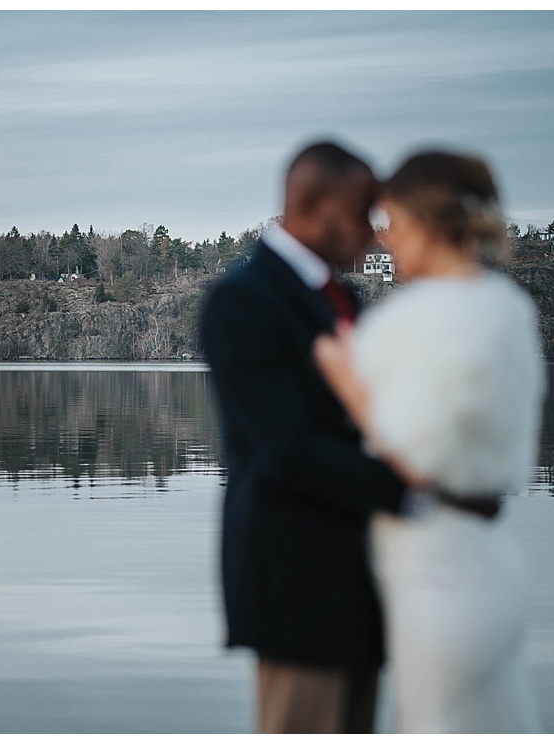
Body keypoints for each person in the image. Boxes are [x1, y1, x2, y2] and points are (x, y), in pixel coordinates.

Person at [313, 150, 545, 732]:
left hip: (440, 579)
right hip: (484, 559)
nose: (383, 240)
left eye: (390, 222)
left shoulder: (430, 318)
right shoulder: (506, 307)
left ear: (423, 223)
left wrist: (348, 384)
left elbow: (414, 460)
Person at [198, 141, 406, 733]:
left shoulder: (349, 298)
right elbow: (284, 453)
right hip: (295, 586)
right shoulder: (242, 301)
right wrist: (414, 491)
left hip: (364, 580)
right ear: (311, 202)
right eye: (362, 210)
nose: (373, 230)